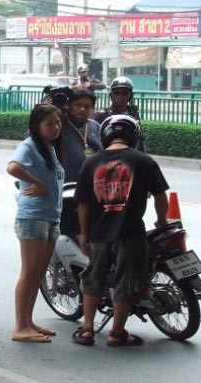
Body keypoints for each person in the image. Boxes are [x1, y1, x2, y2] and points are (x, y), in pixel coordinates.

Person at [72, 115, 169, 347]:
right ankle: (117, 333)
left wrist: (84, 234)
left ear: (106, 135)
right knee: (127, 280)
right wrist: (162, 221)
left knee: (93, 278)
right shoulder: (144, 161)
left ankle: (87, 330)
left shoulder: (91, 162)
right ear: (134, 135)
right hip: (131, 232)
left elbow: (82, 204)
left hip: (98, 232)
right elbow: (160, 196)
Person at [7, 104, 65, 343]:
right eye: (49, 124)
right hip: (33, 217)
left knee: (39, 273)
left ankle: (29, 322)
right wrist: (36, 183)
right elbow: (12, 167)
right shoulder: (29, 146)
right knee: (30, 272)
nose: (55, 128)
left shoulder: (48, 148)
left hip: (50, 216)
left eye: (58, 123)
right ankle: (20, 326)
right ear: (36, 126)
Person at [54, 87, 101, 238]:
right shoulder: (59, 125)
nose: (82, 109)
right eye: (78, 105)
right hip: (67, 193)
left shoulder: (95, 127)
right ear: (69, 105)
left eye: (87, 107)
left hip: (94, 192)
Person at [94, 77, 144, 151]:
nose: (120, 96)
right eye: (117, 93)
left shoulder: (134, 114)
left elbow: (139, 140)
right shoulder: (101, 115)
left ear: (131, 96)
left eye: (125, 93)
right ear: (111, 95)